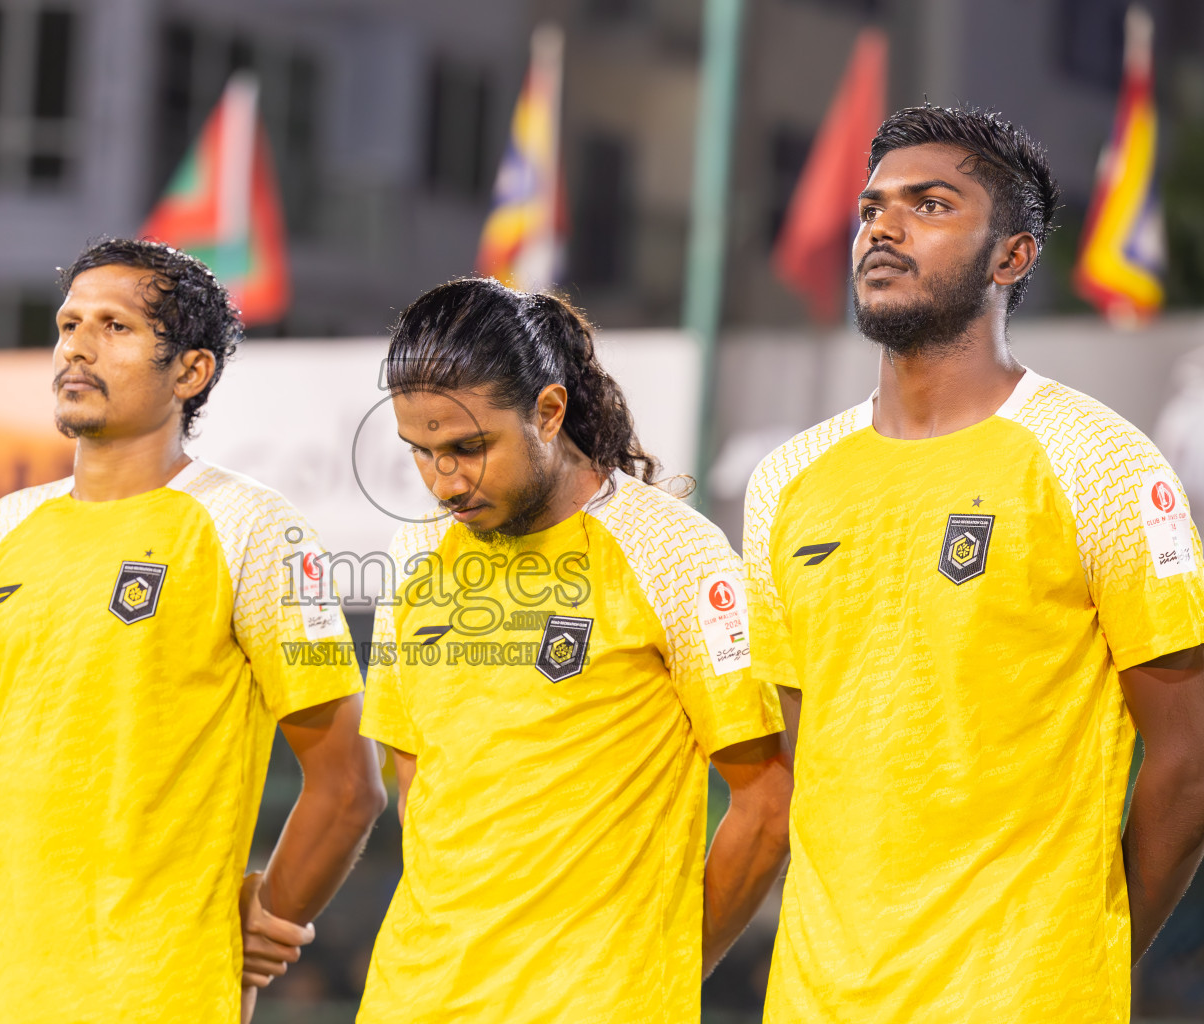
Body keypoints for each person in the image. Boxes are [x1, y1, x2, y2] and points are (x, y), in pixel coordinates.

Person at [745, 105, 1204, 1022]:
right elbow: (801, 766)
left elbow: (1188, 763)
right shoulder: (787, 481)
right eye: (872, 207)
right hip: (814, 999)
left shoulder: (1099, 462)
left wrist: (1086, 950)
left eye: (930, 204)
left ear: (1012, 257)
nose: (883, 225)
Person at [0, 239, 385, 1024]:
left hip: (154, 989)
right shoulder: (4, 527)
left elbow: (349, 785)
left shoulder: (253, 526)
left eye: (115, 327)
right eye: (70, 323)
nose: (77, 345)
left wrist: (271, 919)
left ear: (190, 371)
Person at [356, 279, 793, 1024]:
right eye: (420, 453)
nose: (444, 482)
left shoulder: (674, 553)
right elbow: (418, 783)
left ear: (549, 412)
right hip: (410, 999)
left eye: (469, 447)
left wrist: (663, 970)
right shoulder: (417, 553)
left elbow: (766, 807)